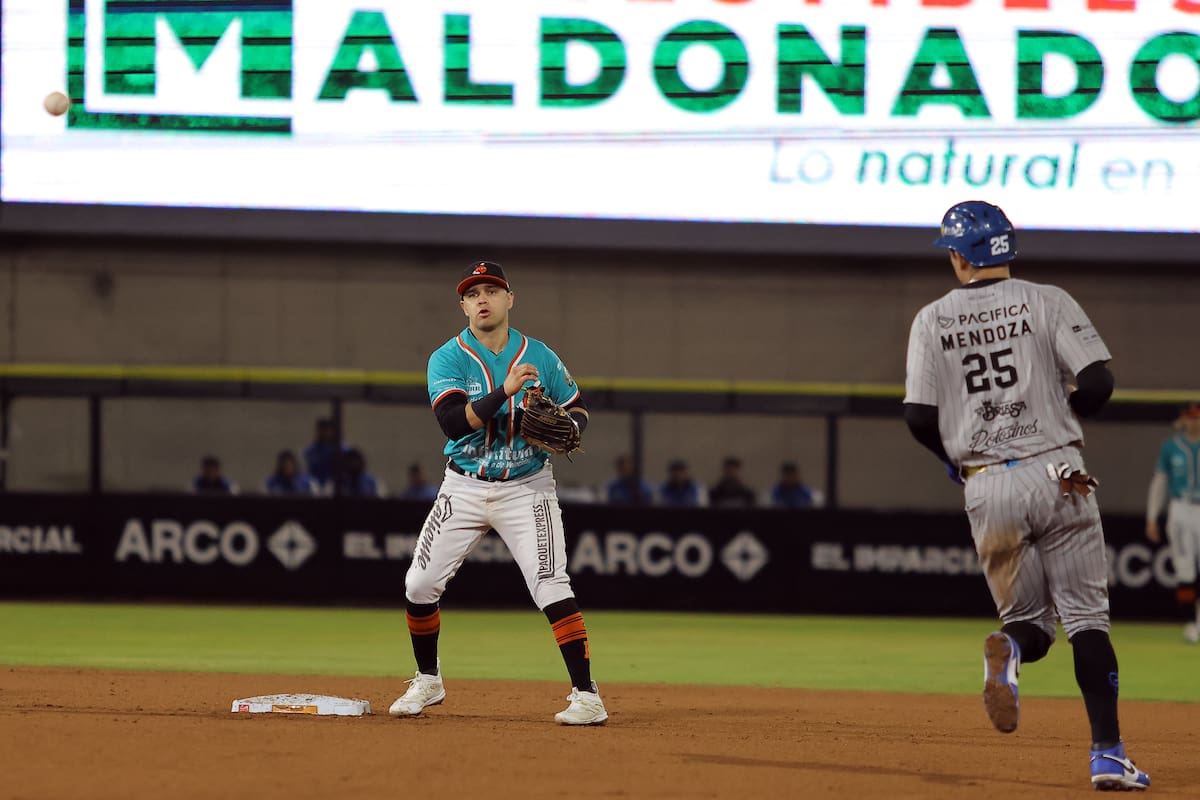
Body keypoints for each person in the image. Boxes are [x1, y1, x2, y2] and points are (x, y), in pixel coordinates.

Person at [902, 200, 1149, 791]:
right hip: (1057, 470)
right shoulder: (1047, 299)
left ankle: (1009, 650)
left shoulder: (932, 318)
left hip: (987, 481)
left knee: (1030, 627)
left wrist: (953, 463)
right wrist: (1067, 414)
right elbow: (1097, 381)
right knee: (1087, 622)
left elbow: (917, 415)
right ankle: (1108, 756)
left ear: (959, 256)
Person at [389, 260, 607, 726]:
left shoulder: (541, 356)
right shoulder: (447, 358)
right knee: (419, 585)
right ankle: (428, 679)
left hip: (527, 487)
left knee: (551, 584)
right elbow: (451, 423)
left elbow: (577, 409)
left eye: (491, 290)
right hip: (465, 483)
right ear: (463, 305)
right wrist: (507, 391)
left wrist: (568, 426)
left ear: (510, 299)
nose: (482, 299)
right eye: (472, 293)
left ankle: (587, 695)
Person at [1145, 401, 1200, 644]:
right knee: (1184, 568)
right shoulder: (1171, 447)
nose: (1194, 421)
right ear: (1183, 419)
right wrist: (1152, 517)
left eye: (1197, 417)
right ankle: (1190, 622)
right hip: (1180, 507)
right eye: (1190, 417)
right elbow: (1160, 483)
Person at [303, 417, 348, 494]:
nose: (326, 433)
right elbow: (307, 471)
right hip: (314, 487)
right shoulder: (310, 451)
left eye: (328, 430)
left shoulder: (343, 450)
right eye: (322, 430)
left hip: (337, 487)